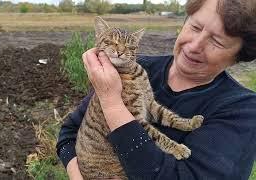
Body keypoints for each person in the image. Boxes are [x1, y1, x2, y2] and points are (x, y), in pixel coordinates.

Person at [56, 0, 256, 179]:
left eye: (217, 41)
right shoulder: (131, 69)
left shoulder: (243, 110)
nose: (195, 46)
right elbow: (68, 134)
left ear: (238, 57)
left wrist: (111, 101)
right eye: (195, 27)